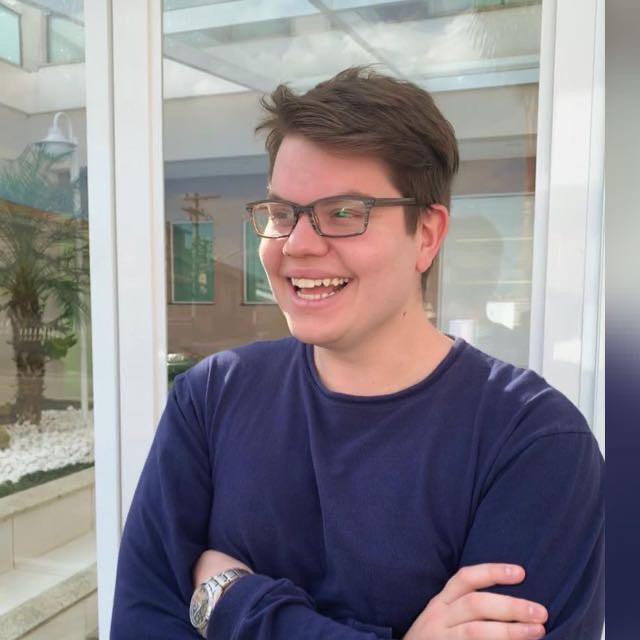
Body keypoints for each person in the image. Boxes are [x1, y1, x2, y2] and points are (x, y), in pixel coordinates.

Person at [111, 67, 604, 639]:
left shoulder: (533, 442)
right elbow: (140, 624)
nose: (297, 245)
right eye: (281, 213)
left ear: (427, 234)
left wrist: (232, 602)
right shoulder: (211, 398)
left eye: (344, 212)